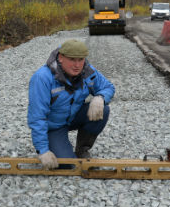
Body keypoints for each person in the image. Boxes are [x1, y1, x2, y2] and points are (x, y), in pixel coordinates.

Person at [27, 39, 115, 169]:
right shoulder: (42, 78)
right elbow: (37, 117)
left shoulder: (87, 71)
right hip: (54, 126)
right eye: (72, 59)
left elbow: (108, 87)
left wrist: (100, 97)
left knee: (104, 109)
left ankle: (82, 149)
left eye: (81, 59)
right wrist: (43, 150)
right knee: (67, 164)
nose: (77, 65)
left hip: (73, 116)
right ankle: (56, 145)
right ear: (61, 58)